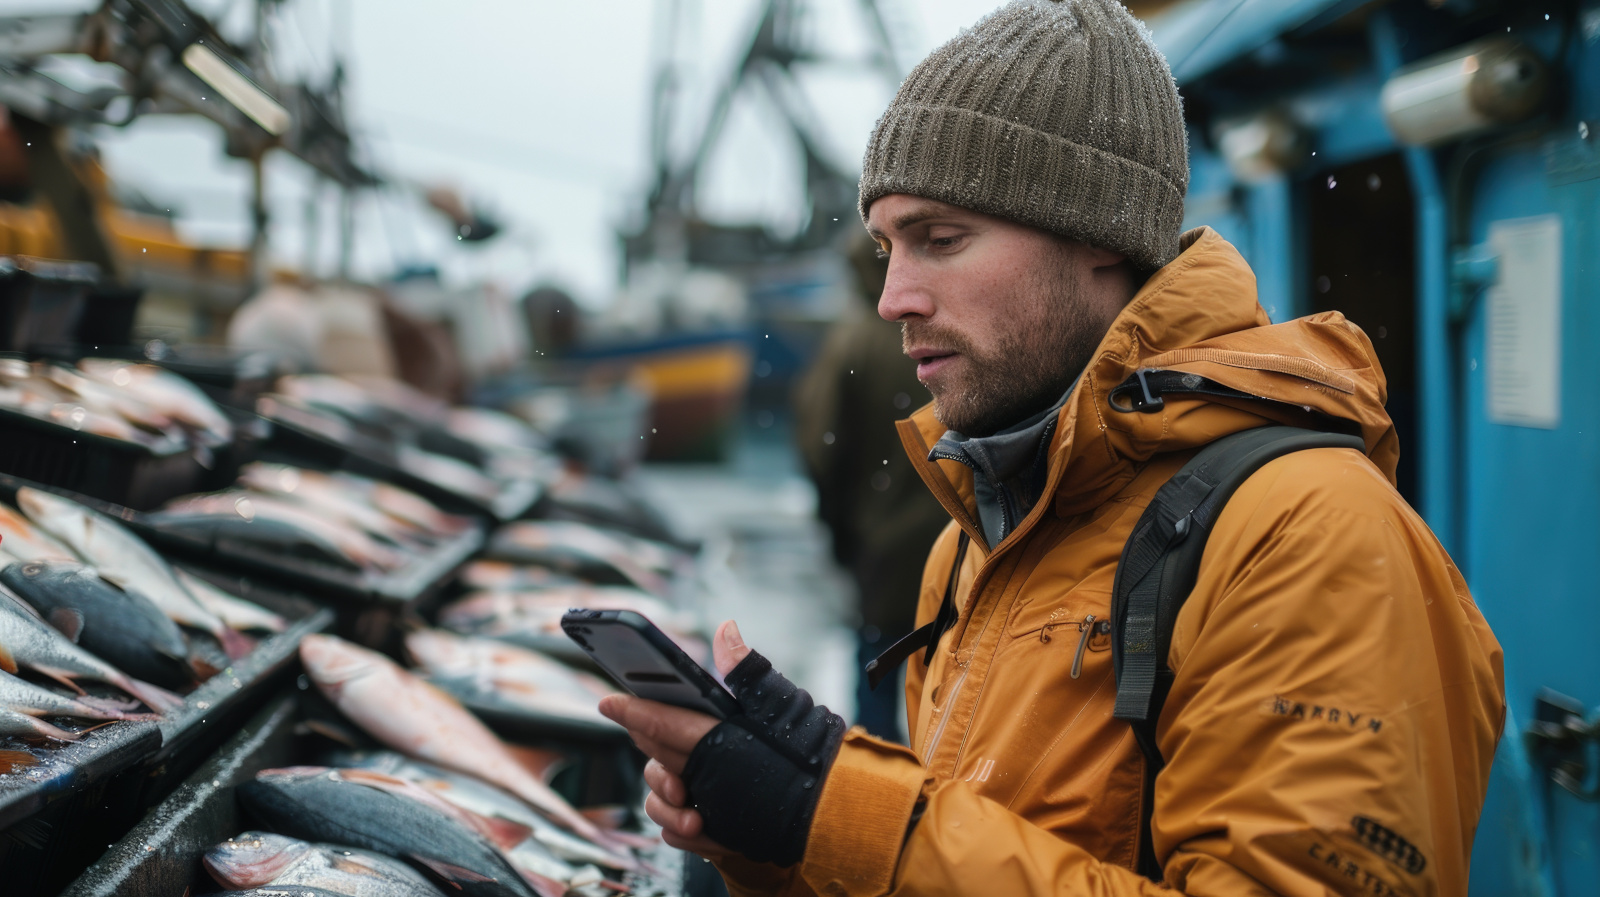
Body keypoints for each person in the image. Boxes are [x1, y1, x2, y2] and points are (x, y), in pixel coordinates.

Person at [600, 2, 1505, 894]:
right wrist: (783, 842)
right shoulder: (975, 538)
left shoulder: (1312, 539)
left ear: (1101, 237)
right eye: (886, 247)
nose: (894, 297)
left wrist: (847, 812)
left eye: (941, 239)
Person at [792, 232, 946, 742]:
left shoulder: (850, 344)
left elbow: (821, 449)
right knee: (952, 698)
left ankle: (876, 805)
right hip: (954, 538)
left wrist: (840, 536)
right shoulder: (947, 333)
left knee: (876, 691)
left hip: (880, 547)